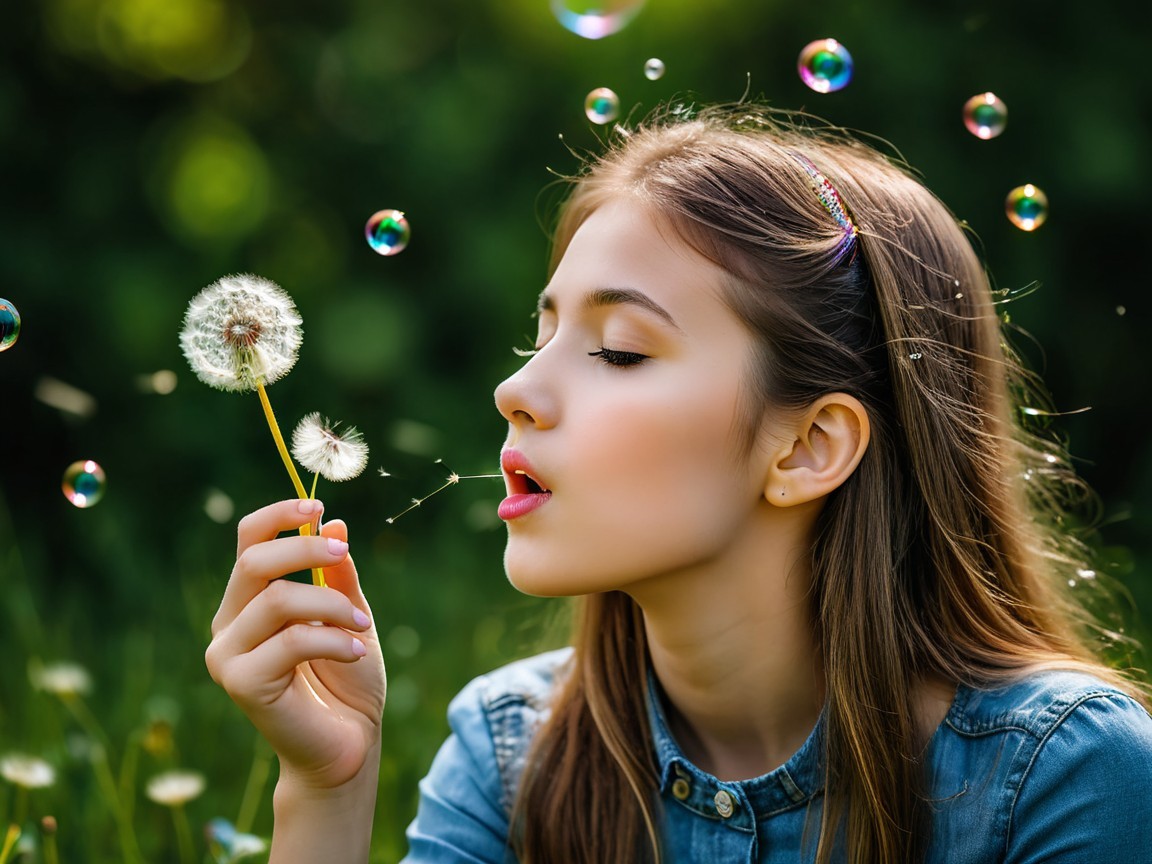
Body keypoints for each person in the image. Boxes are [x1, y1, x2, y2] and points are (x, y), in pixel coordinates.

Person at [204, 103, 1152, 863]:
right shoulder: (512, 756)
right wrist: (327, 790)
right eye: (542, 337)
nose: (517, 390)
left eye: (617, 352)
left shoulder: (1065, 778)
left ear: (809, 448)